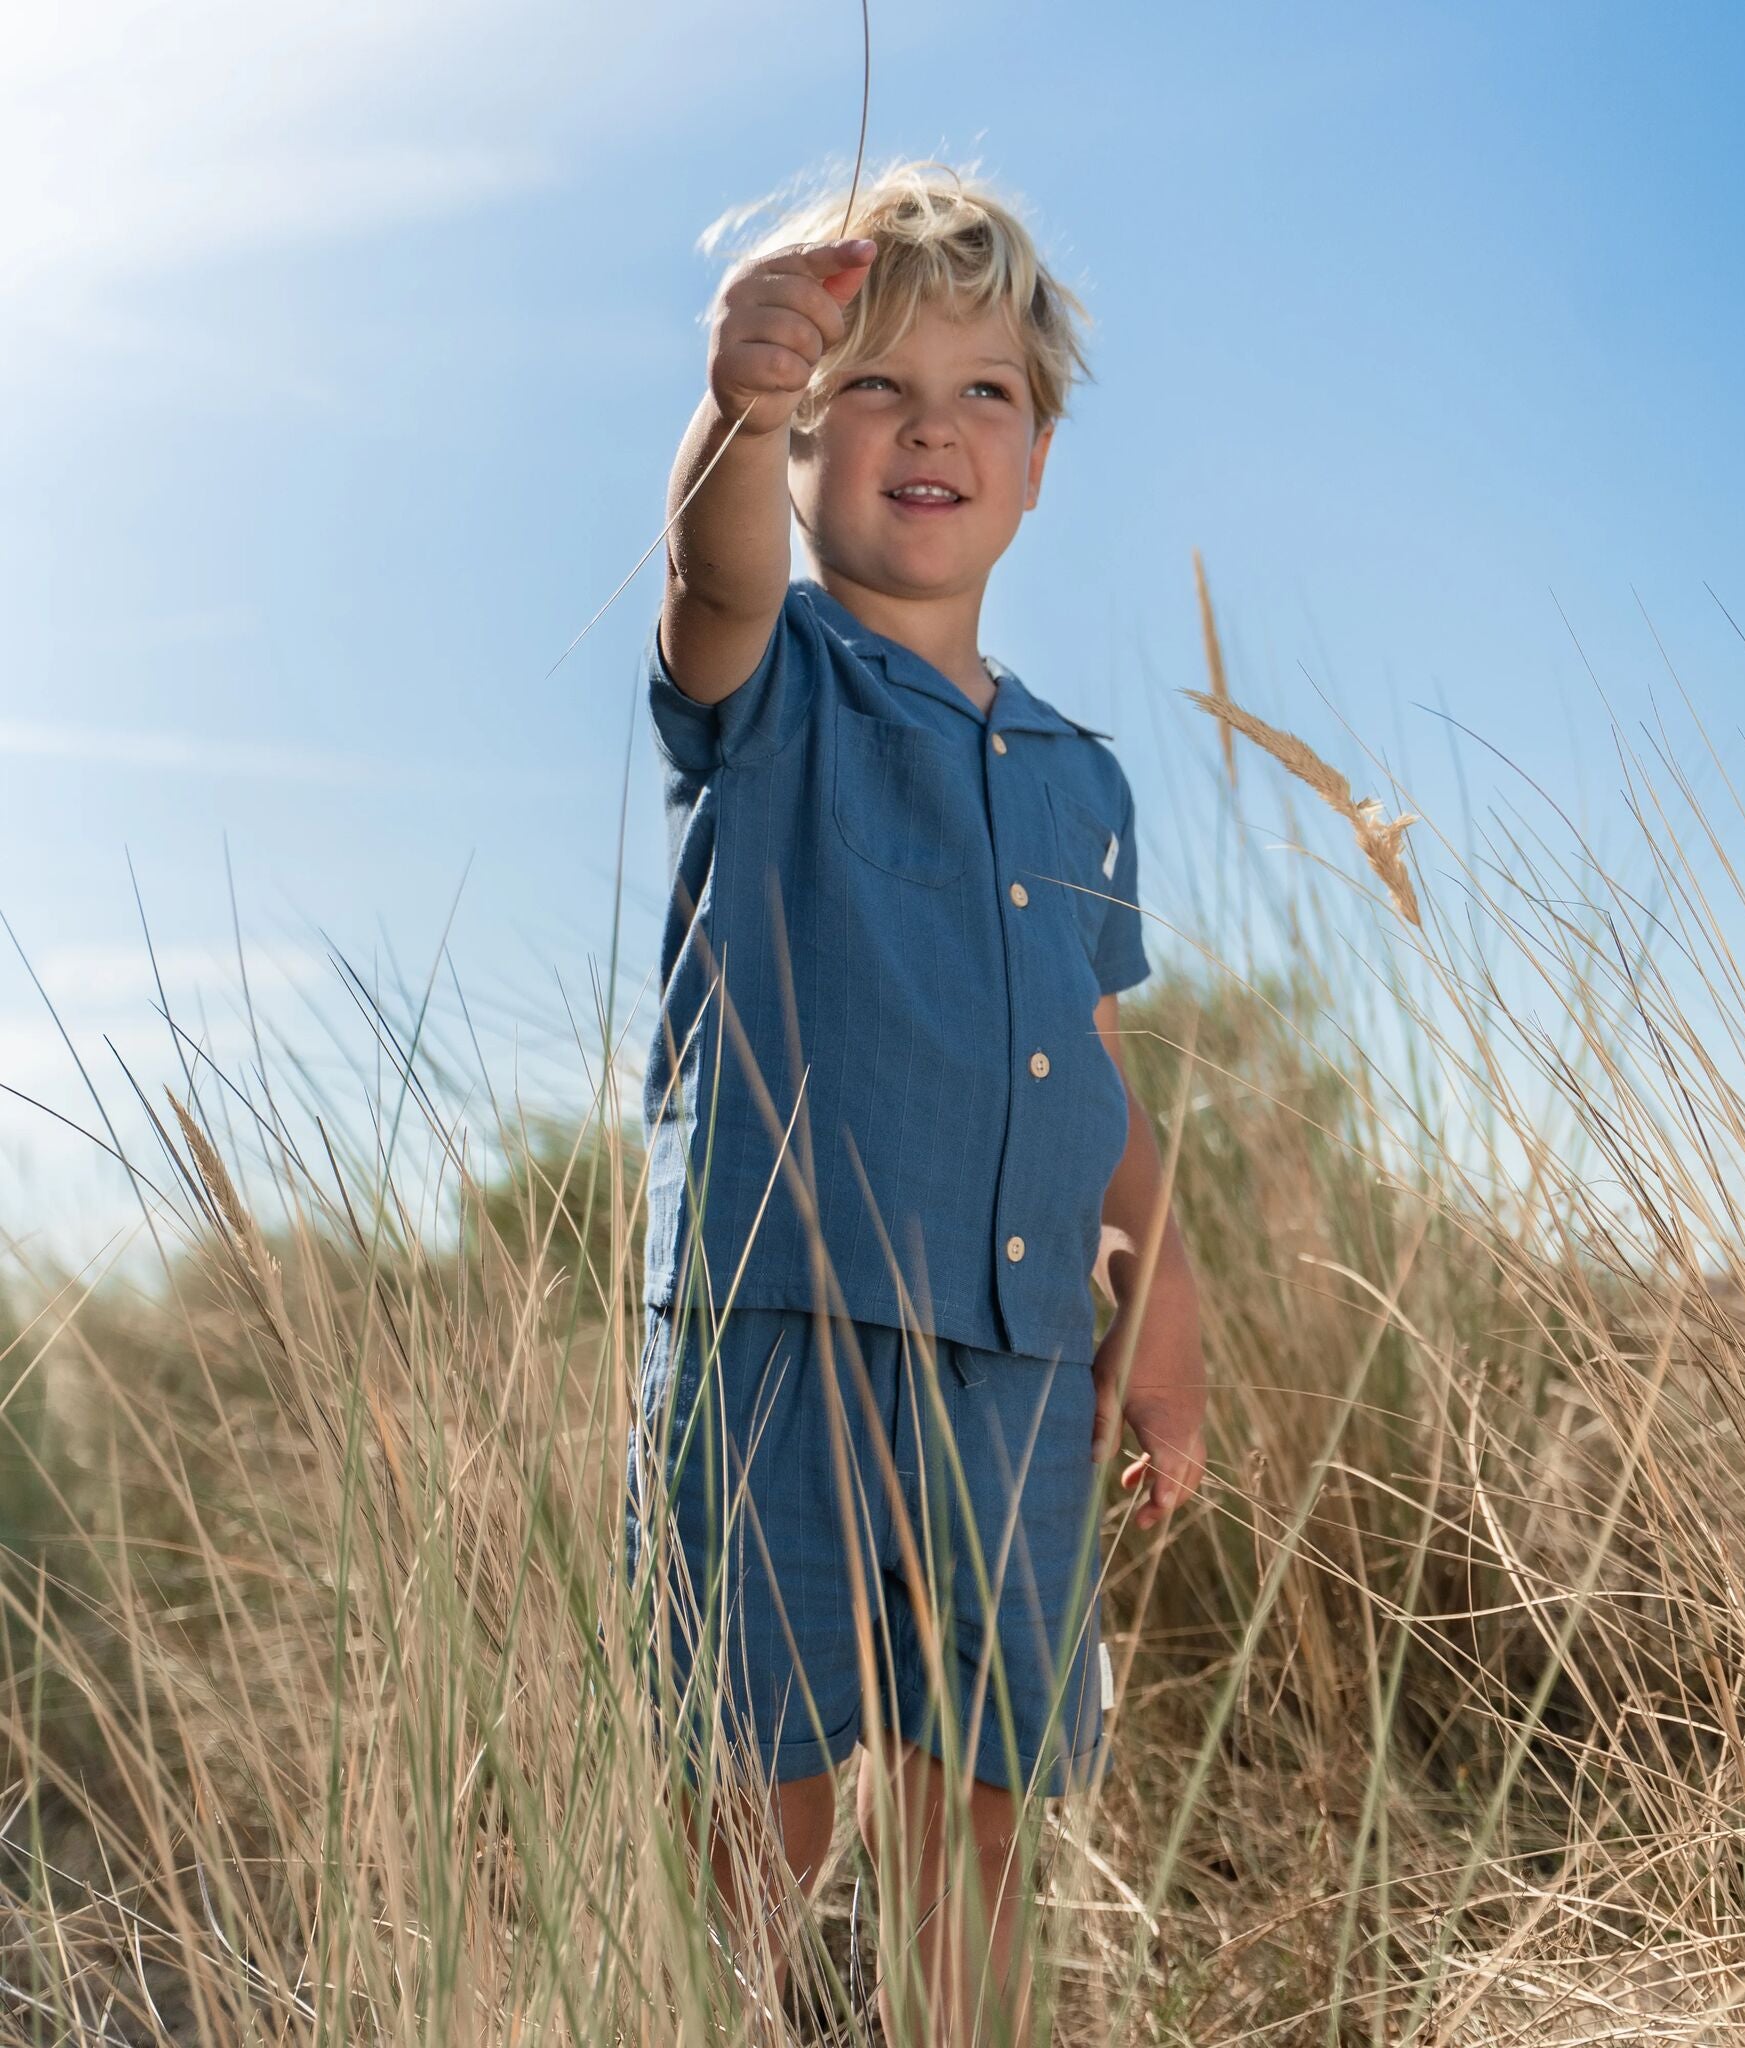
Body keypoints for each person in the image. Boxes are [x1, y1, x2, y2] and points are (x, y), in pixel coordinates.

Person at [621, 158, 1208, 2047]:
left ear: (1037, 465)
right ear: (803, 444)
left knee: (989, 1784)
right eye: (868, 385)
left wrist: (1167, 1320)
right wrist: (735, 395)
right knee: (761, 1776)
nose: (930, 425)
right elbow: (713, 574)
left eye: (986, 394)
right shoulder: (771, 674)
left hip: (1019, 1366)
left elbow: (1093, 1063)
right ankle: (750, 2015)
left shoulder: (1080, 777)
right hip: (776, 1324)